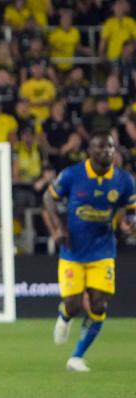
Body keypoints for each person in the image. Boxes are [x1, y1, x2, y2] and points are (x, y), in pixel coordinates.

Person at [43, 133, 136, 373]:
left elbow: (131, 210)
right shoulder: (73, 175)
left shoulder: (124, 180)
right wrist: (58, 227)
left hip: (103, 250)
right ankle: (64, 317)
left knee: (99, 305)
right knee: (73, 305)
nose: (106, 151)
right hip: (73, 251)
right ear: (90, 151)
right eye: (100, 147)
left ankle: (76, 357)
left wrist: (130, 222)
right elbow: (48, 197)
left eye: (110, 147)